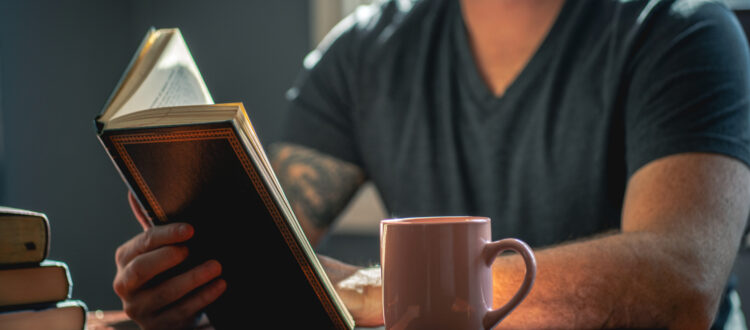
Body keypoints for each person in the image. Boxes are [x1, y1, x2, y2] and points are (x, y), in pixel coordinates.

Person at [112, 0, 750, 328]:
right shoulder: (361, 55)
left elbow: (682, 284)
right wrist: (194, 287)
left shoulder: (682, 31)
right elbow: (278, 255)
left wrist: (373, 292)